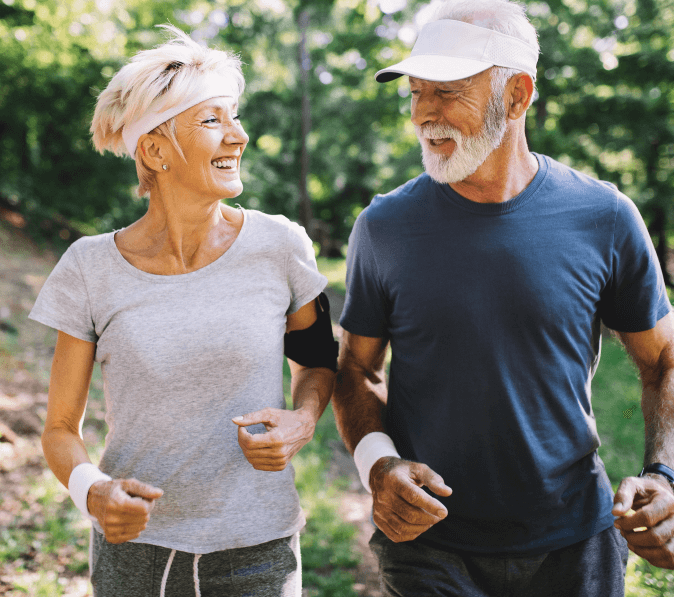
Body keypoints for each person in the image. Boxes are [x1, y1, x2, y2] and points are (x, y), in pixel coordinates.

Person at [332, 1, 674, 595]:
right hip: (428, 547)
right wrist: (378, 464)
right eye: (415, 93)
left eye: (446, 92)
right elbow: (357, 370)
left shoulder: (606, 217)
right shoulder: (383, 227)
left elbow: (664, 361)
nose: (423, 115)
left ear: (517, 96)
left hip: (576, 544)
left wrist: (665, 477)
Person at [29, 25, 338, 597]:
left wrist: (302, 421)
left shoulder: (281, 245)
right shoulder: (89, 267)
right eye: (214, 120)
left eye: (236, 117)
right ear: (154, 149)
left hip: (258, 552)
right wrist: (92, 492)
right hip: (133, 557)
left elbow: (319, 360)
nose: (239, 135)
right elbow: (58, 429)